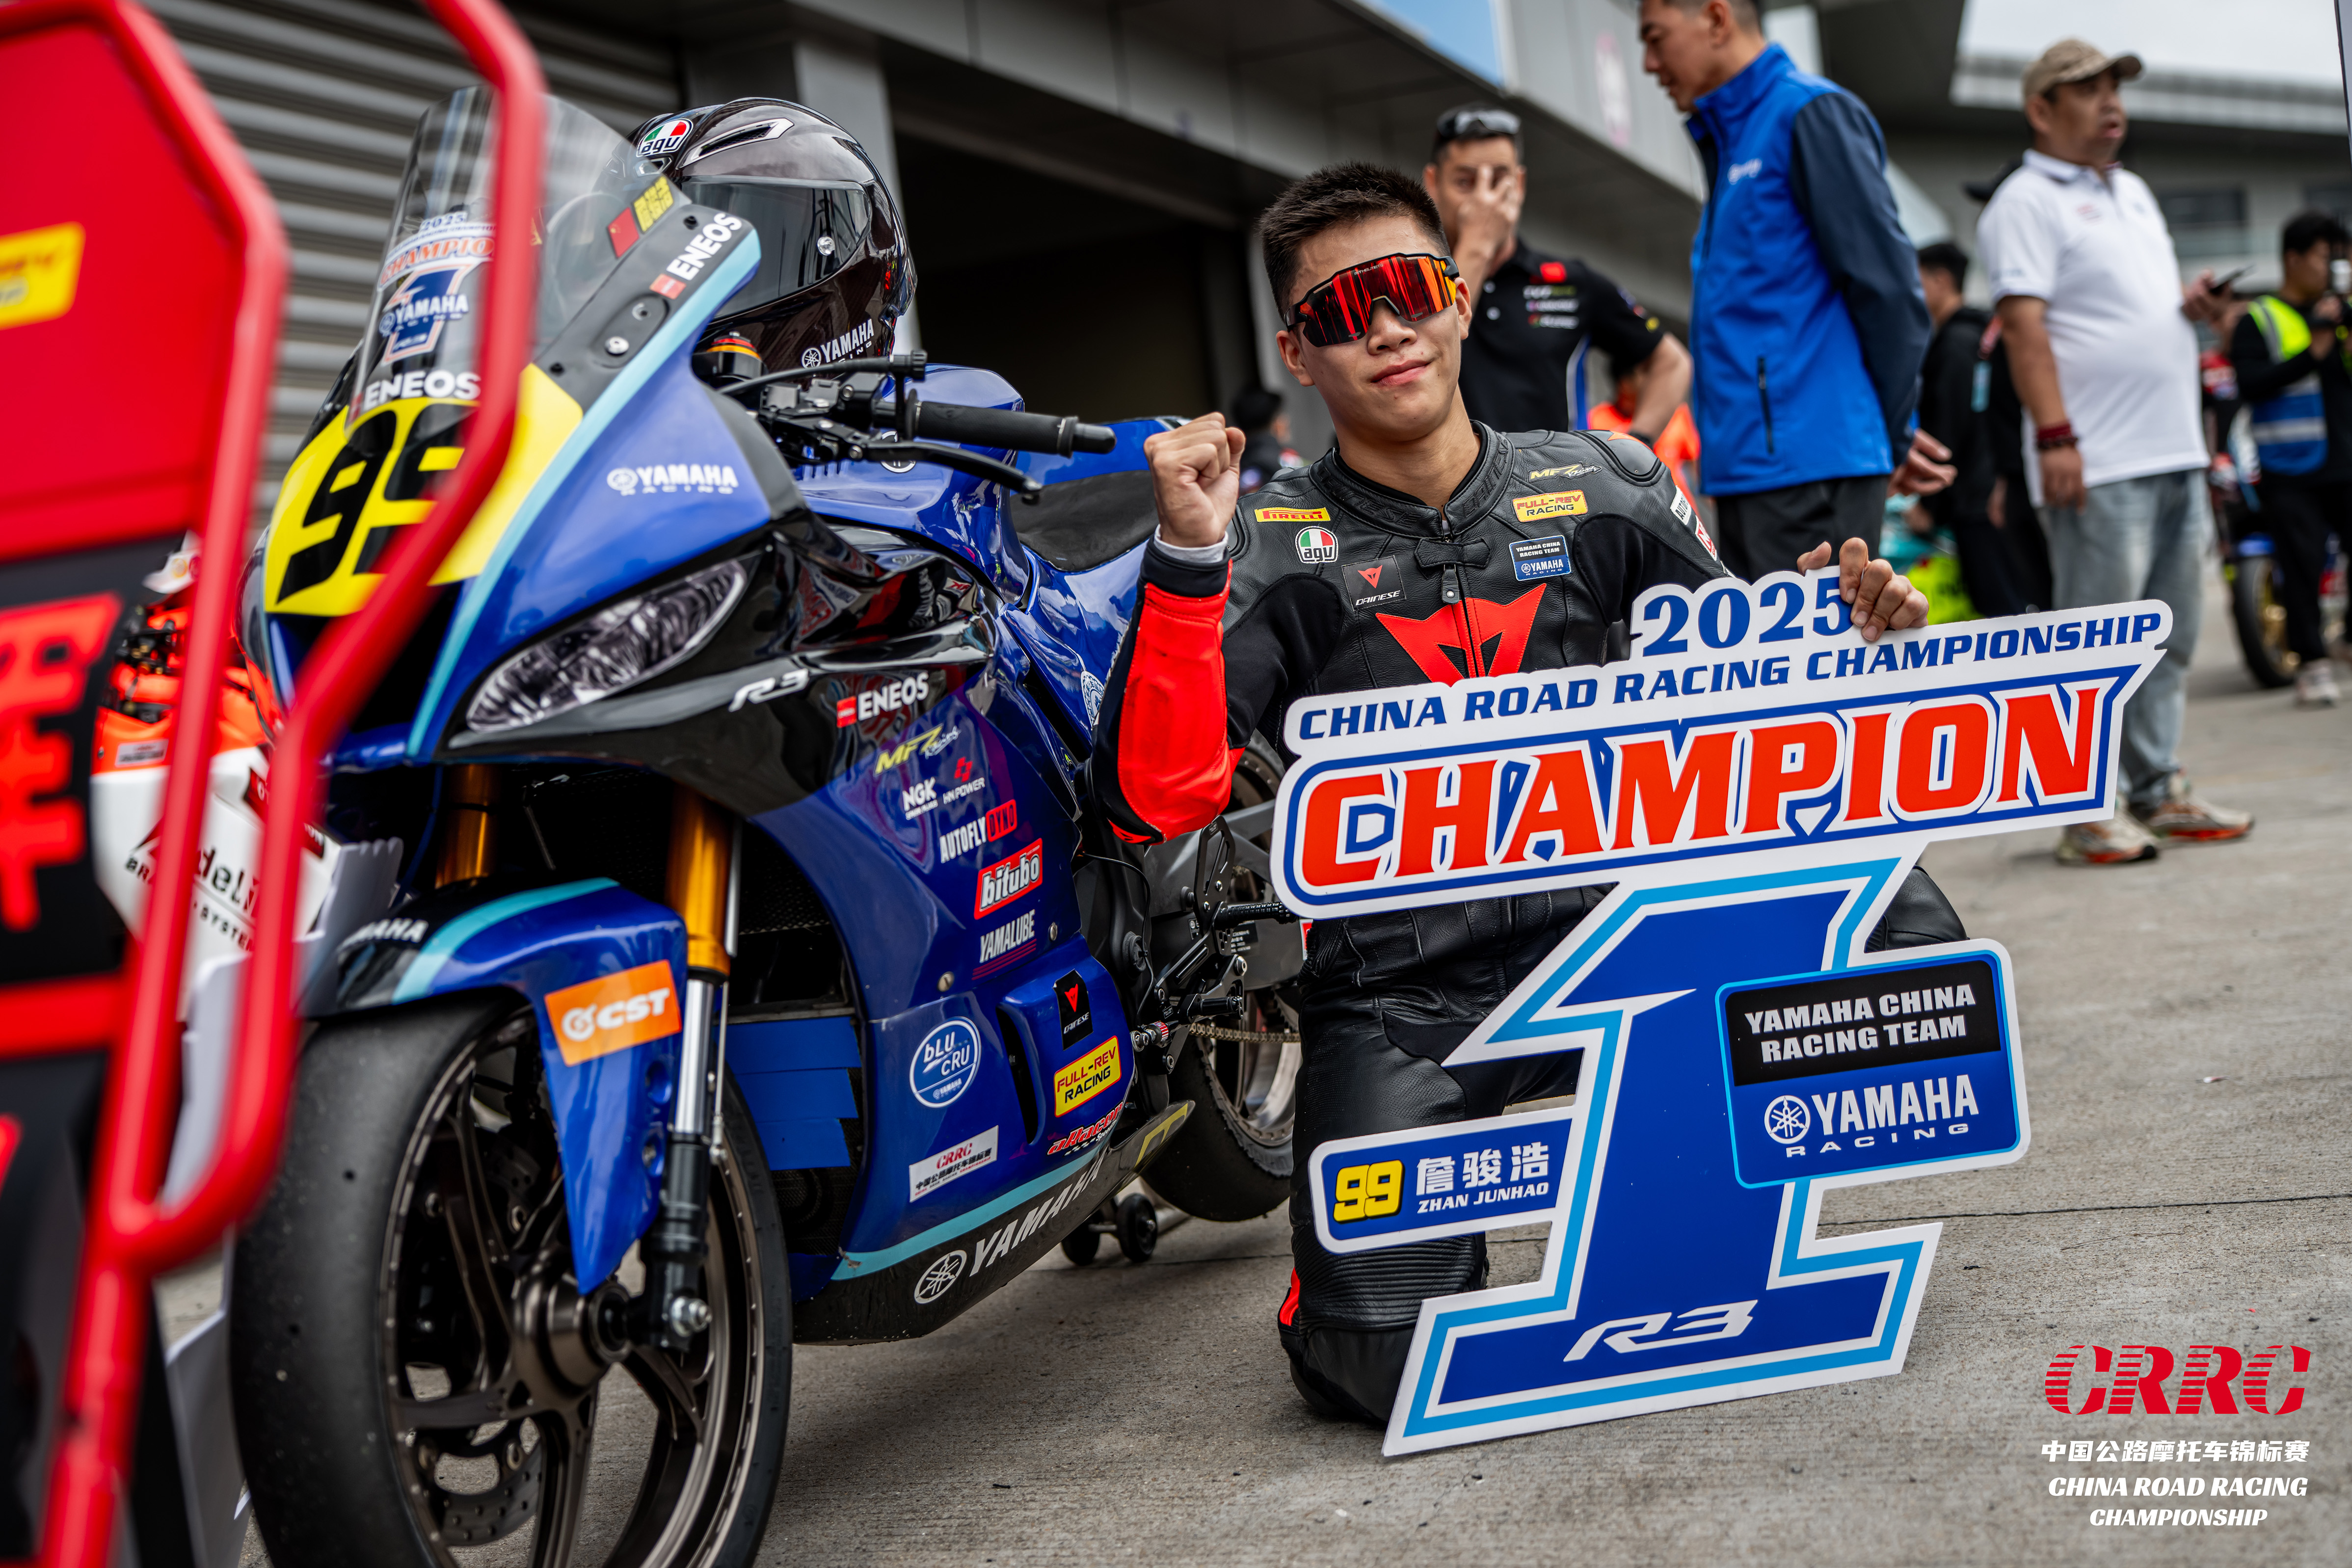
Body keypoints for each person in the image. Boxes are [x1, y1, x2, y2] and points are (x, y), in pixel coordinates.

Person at [1091, 162, 1952, 1424]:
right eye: (1340, 310)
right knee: (1380, 1365)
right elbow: (1151, 803)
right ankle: (1341, 1274)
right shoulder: (1261, 543)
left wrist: (1850, 637)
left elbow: (1756, 712)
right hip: (1402, 996)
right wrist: (1182, 557)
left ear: (1455, 297)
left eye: (1407, 287)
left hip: (1622, 937)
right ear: (1297, 353)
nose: (1385, 326)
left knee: (1907, 931)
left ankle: (1694, 1161)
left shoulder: (1606, 478)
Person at [1975, 39, 2251, 864]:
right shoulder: (2025, 200)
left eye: (2114, 89)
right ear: (2040, 110)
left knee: (2169, 636)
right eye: (2087, 90)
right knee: (2092, 646)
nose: (2110, 103)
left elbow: (2126, 312)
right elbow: (2023, 328)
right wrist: (2056, 436)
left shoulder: (2129, 191)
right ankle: (2085, 814)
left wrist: (2188, 307)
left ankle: (2155, 789)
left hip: (2171, 449)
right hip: (2096, 460)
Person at [1637, 0, 1952, 579]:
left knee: (1824, 643)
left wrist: (1887, 439)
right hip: (1750, 472)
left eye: (1655, 39)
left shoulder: (1806, 113)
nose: (1648, 63)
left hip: (1809, 471)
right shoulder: (1735, 138)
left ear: (1716, 18)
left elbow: (1887, 292)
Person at [1421, 104, 1693, 441]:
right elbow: (1428, 353)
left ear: (1520, 185)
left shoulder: (1570, 281)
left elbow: (1673, 363)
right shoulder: (1413, 283)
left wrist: (1635, 451)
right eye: (1465, 182)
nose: (1485, 200)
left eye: (1499, 181)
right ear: (1433, 184)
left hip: (1556, 475)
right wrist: (1477, 247)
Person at [2230, 210, 2352, 708]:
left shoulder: (2342, 315)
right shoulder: (2259, 319)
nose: (2333, 267)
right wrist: (2313, 352)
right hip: (2290, 466)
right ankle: (2312, 662)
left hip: (2344, 459)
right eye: (2325, 257)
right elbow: (2249, 385)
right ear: (2293, 258)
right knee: (2300, 566)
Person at [1915, 241, 2036, 617]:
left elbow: (1950, 425)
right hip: (1988, 487)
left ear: (1940, 280)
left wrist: (1928, 503)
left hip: (1975, 496)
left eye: (1917, 279)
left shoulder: (1956, 342)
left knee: (1999, 608)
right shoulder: (1980, 335)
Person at [1586, 350, 1702, 506]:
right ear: (1626, 383)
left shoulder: (1675, 412)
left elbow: (1698, 471)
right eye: (1648, 373)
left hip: (1681, 514)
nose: (1659, 378)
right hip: (1635, 515)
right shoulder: (1595, 423)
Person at [1230, 384, 1301, 494]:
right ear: (1276, 423)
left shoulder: (1233, 465)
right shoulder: (1288, 460)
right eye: (1282, 415)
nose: (1287, 421)